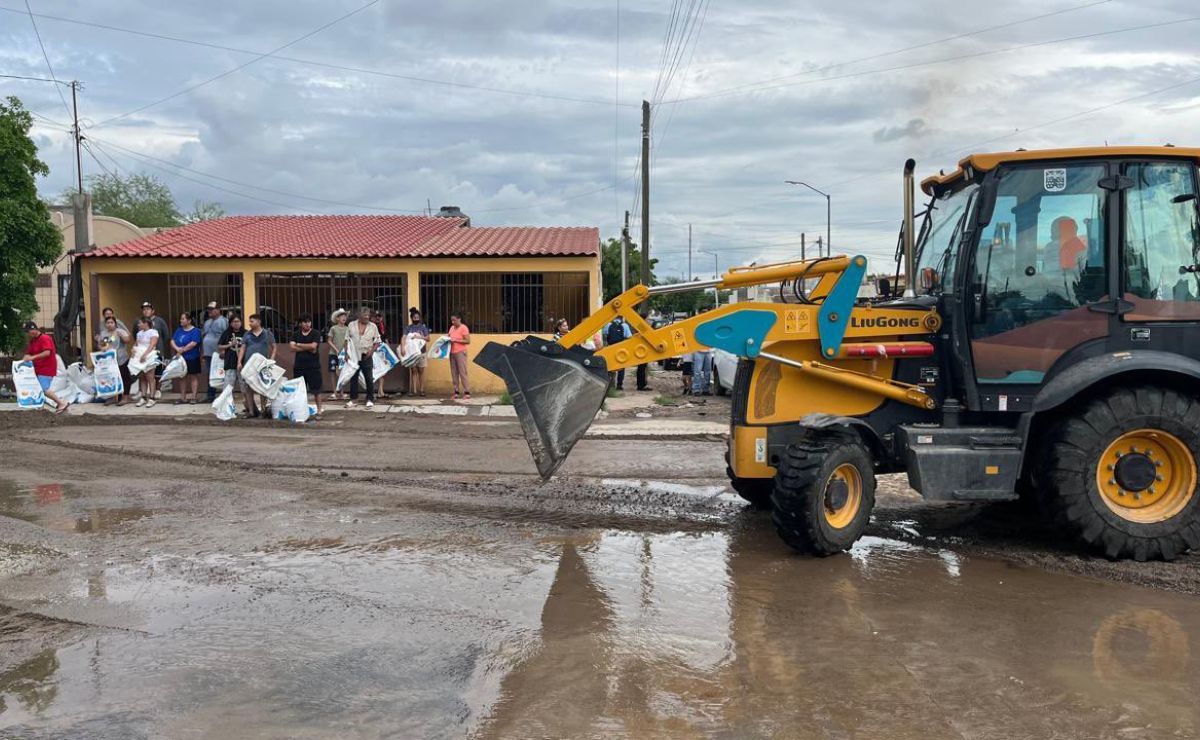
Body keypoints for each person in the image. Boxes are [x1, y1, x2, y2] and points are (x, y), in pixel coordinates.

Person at [20, 321, 69, 414]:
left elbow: (47, 353)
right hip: (38, 368)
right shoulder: (33, 341)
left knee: (44, 388)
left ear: (33, 330)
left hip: (47, 368)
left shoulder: (45, 338)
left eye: (27, 332)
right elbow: (28, 353)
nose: (27, 335)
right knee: (37, 388)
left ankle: (61, 403)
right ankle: (40, 406)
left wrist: (32, 357)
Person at [237, 313, 276, 418]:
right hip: (249, 365)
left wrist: (272, 359)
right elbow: (243, 348)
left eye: (252, 321)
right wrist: (239, 362)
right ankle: (251, 412)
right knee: (248, 388)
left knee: (263, 388)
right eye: (249, 321)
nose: (249, 323)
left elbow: (274, 347)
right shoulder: (247, 335)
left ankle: (263, 411)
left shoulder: (268, 333)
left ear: (259, 322)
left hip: (263, 365)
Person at [289, 313, 324, 416]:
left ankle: (319, 410)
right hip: (299, 366)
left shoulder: (315, 333)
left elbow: (314, 347)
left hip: (313, 366)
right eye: (305, 322)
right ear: (300, 324)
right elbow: (292, 348)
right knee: (300, 391)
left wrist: (299, 345)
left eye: (309, 322)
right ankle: (301, 411)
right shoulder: (296, 334)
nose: (307, 324)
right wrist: (308, 347)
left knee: (316, 390)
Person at [346, 307, 381, 408]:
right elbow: (346, 340)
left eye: (368, 316)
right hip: (354, 355)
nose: (367, 317)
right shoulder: (351, 325)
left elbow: (377, 341)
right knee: (353, 377)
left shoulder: (373, 326)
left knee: (369, 378)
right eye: (365, 316)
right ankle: (353, 399)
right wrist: (346, 354)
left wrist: (372, 351)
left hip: (367, 355)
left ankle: (370, 399)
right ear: (359, 315)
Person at [96, 315, 132, 405]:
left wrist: (122, 336)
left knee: (124, 378)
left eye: (112, 322)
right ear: (105, 324)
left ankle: (125, 397)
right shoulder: (103, 333)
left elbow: (128, 340)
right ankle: (113, 397)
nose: (110, 324)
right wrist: (101, 348)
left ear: (115, 324)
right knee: (111, 378)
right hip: (109, 361)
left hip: (121, 359)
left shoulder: (119, 331)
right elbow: (100, 344)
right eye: (108, 323)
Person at [218, 315, 249, 416]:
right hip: (230, 364)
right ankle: (227, 408)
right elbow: (219, 346)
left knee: (244, 387)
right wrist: (230, 345)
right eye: (234, 322)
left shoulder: (246, 333)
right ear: (231, 323)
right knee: (227, 387)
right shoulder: (226, 333)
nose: (236, 323)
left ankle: (248, 407)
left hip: (242, 365)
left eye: (238, 321)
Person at [141, 301, 171, 399]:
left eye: (148, 309)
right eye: (144, 309)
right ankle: (144, 392)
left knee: (158, 371)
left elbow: (166, 335)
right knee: (145, 372)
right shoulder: (140, 321)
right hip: (144, 352)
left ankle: (158, 389)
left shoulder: (159, 321)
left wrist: (159, 343)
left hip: (157, 350)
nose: (146, 311)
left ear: (153, 311)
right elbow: (136, 334)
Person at [171, 312, 202, 404]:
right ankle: (183, 397)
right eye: (181, 319)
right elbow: (172, 340)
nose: (181, 320)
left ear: (189, 320)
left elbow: (194, 343)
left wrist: (182, 350)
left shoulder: (195, 331)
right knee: (182, 377)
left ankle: (193, 397)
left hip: (192, 357)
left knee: (193, 376)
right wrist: (177, 348)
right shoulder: (179, 330)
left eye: (183, 319)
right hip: (181, 358)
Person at [201, 301, 228, 401]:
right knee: (209, 374)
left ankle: (224, 395)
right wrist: (203, 352)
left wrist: (224, 351)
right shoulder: (207, 322)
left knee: (221, 373)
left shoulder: (223, 321)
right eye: (209, 310)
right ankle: (210, 395)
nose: (209, 311)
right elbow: (204, 336)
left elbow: (226, 337)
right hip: (208, 353)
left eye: (212, 309)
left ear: (218, 310)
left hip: (219, 353)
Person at [402, 307, 430, 397]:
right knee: (413, 371)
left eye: (418, 317)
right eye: (415, 318)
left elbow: (428, 338)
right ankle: (413, 390)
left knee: (421, 371)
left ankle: (421, 390)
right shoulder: (408, 328)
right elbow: (403, 337)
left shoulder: (423, 327)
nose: (416, 319)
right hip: (412, 353)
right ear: (412, 318)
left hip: (422, 352)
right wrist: (402, 347)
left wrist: (418, 337)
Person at [132, 316, 160, 408]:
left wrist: (145, 354)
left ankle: (152, 398)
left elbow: (152, 344)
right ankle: (143, 397)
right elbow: (137, 343)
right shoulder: (139, 333)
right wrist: (133, 349)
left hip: (149, 356)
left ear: (146, 323)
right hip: (139, 356)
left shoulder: (153, 332)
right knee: (142, 377)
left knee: (150, 377)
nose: (138, 324)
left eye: (140, 323)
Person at [326, 308, 350, 401]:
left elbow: (347, 341)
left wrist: (346, 352)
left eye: (345, 316)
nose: (344, 318)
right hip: (333, 353)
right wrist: (336, 350)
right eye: (342, 316)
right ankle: (334, 393)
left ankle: (342, 393)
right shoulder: (333, 328)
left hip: (343, 354)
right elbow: (329, 340)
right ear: (337, 318)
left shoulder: (347, 328)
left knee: (342, 373)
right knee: (332, 373)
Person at [447, 312, 471, 400]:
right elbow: (449, 337)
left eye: (454, 320)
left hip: (460, 352)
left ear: (459, 319)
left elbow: (468, 341)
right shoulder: (451, 328)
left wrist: (456, 340)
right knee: (454, 373)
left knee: (462, 372)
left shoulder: (463, 328)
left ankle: (467, 392)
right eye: (452, 320)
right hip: (452, 352)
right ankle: (456, 391)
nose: (453, 322)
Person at [604, 317, 632, 389]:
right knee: (621, 367)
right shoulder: (625, 325)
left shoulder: (608, 325)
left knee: (610, 366)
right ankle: (619, 385)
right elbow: (629, 337)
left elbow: (604, 334)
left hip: (610, 348)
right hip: (621, 349)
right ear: (622, 318)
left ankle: (611, 384)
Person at [371, 310, 389, 399]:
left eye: (379, 316)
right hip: (374, 350)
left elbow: (385, 338)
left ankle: (380, 391)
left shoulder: (383, 327)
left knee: (383, 371)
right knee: (377, 371)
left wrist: (388, 349)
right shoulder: (371, 327)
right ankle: (377, 392)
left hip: (382, 350)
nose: (378, 318)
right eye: (376, 317)